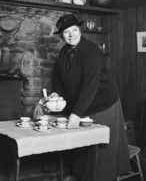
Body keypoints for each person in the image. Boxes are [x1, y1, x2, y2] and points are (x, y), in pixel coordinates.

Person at [51, 14, 131, 181]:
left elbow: (90, 86)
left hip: (103, 104)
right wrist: (56, 93)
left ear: (80, 30)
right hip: (84, 105)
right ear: (61, 35)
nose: (71, 35)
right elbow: (60, 79)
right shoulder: (64, 52)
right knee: (84, 148)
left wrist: (75, 114)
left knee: (102, 151)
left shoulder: (92, 50)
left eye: (74, 30)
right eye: (66, 32)